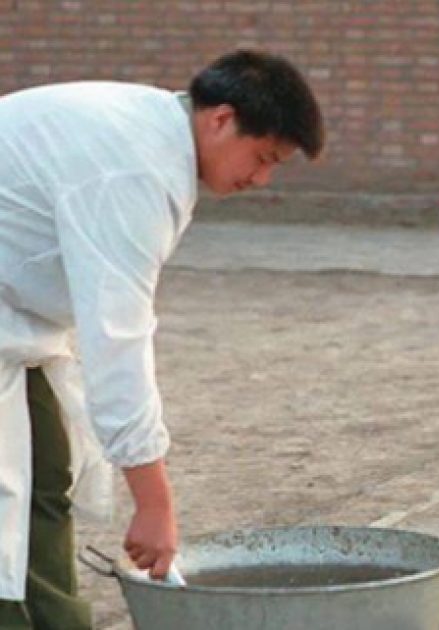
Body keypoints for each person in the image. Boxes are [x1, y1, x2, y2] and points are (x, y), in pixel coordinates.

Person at [0, 49, 324, 628]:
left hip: (14, 320)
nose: (262, 178)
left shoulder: (152, 135)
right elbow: (117, 339)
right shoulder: (132, 170)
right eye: (264, 157)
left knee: (43, 475)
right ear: (221, 119)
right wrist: (154, 504)